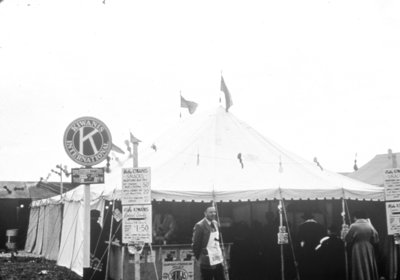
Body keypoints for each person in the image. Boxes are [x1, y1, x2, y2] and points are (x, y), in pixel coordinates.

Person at [192, 206, 226, 280]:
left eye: (214, 212)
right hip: (206, 259)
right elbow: (196, 244)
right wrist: (198, 258)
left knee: (220, 277)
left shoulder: (216, 223)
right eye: (210, 212)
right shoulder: (200, 225)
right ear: (205, 213)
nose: (213, 214)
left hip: (217, 257)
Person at [345, 210, 379, 280]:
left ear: (355, 217)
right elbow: (376, 238)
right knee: (368, 264)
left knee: (358, 265)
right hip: (369, 247)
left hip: (357, 247)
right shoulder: (369, 225)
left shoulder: (353, 225)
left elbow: (347, 239)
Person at [297, 211, 326, 280]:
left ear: (305, 218)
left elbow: (299, 239)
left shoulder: (302, 226)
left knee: (307, 266)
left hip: (306, 249)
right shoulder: (319, 226)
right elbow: (323, 238)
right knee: (316, 265)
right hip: (317, 248)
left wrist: (302, 246)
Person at [84, 209, 107, 280]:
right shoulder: (96, 226)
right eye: (97, 217)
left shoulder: (86, 225)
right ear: (94, 217)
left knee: (87, 265)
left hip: (87, 248)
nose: (97, 219)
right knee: (95, 265)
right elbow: (101, 237)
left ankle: (87, 276)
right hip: (96, 249)